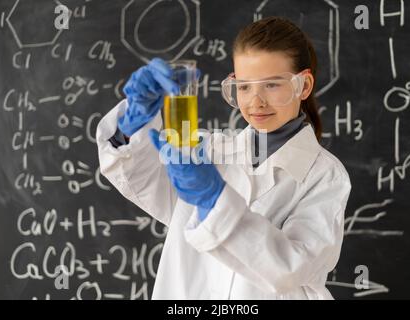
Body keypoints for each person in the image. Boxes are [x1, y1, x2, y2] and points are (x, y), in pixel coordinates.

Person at [96, 16, 351, 299]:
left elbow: (290, 269)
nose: (256, 101)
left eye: (272, 85)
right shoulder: (206, 152)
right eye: (244, 86)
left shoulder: (324, 175)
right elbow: (138, 176)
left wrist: (214, 199)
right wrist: (130, 127)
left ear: (303, 86)